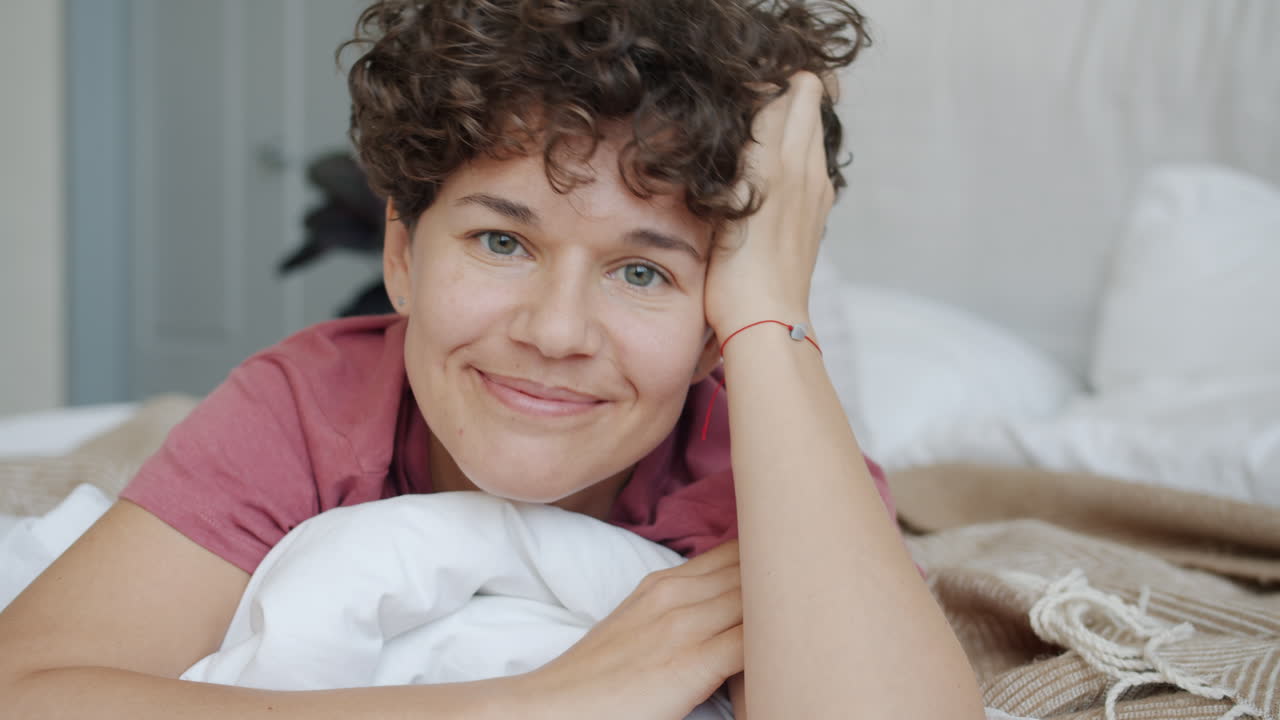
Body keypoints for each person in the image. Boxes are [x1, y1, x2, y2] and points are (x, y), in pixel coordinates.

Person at [0, 0, 985, 717]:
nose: (555, 332)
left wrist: (771, 314)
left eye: (642, 272)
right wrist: (541, 703)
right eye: (501, 243)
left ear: (715, 328)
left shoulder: (770, 469)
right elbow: (31, 690)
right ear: (401, 253)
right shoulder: (311, 404)